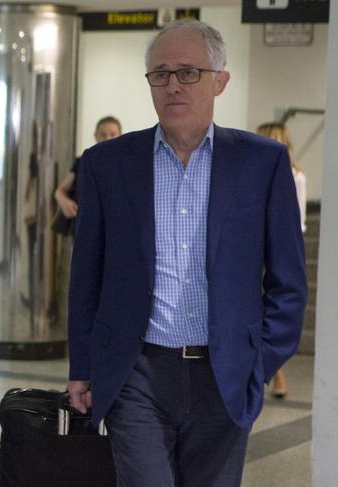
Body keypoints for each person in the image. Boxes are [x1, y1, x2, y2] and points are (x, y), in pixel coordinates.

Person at [67, 19, 306, 486]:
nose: (173, 85)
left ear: (220, 81)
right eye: (161, 74)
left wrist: (258, 363)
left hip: (226, 374)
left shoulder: (262, 162)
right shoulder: (107, 165)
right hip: (137, 372)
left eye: (188, 72)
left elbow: (289, 282)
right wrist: (82, 366)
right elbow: (85, 276)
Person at [257, 121, 307, 399]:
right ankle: (278, 376)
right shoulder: (262, 171)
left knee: (272, 303)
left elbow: (295, 217)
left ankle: (278, 374)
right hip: (262, 242)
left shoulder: (295, 175)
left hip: (282, 244)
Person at [53, 116, 122, 228]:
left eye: (113, 134)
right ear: (96, 136)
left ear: (121, 136)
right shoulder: (83, 162)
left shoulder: (124, 165)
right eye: (103, 135)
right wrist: (65, 202)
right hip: (83, 227)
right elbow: (60, 191)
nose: (108, 138)